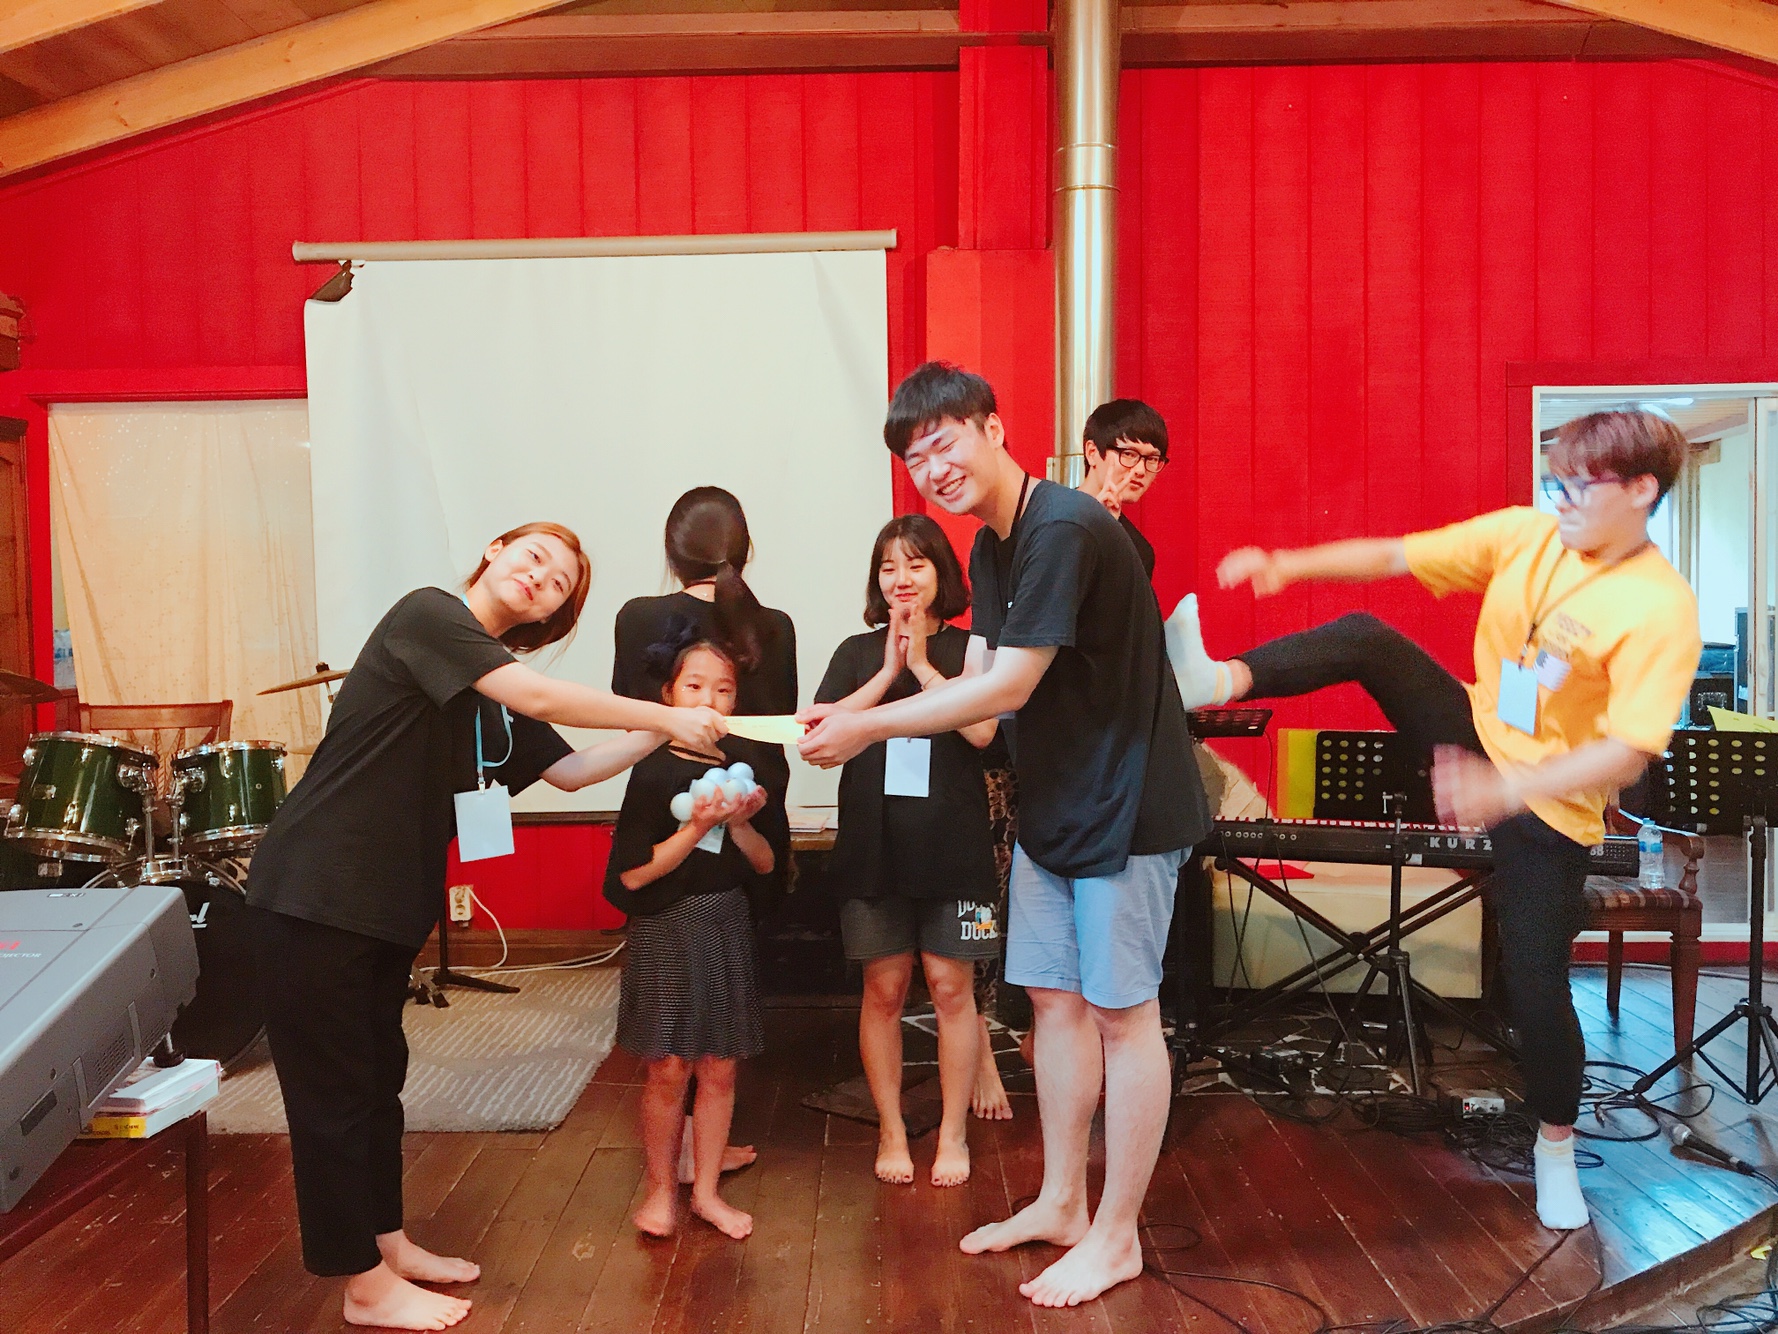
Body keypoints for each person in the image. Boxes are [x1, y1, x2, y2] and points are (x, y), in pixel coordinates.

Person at [1169, 409, 1702, 1231]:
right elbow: (1393, 556)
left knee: (1536, 986)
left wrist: (1506, 789)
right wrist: (1286, 562)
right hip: (1472, 736)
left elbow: (1628, 752)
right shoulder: (1529, 535)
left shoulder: (1661, 607)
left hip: (1548, 809)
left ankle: (1555, 1149)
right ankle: (1215, 681)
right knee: (1367, 637)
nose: (1559, 499)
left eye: (1580, 486)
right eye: (1554, 481)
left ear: (1640, 490)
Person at [799, 362, 1212, 1308]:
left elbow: (1010, 687)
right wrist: (867, 698)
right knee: (1052, 1004)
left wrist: (865, 728)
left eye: (944, 443)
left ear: (992, 428)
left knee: (1123, 1016)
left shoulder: (1063, 526)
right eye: (915, 459)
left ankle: (1117, 1236)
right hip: (1055, 805)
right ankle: (1064, 1203)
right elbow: (979, 697)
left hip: (1130, 807)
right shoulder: (990, 544)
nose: (933, 469)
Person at [247, 521, 727, 1333]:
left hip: (382, 905)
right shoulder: (430, 615)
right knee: (334, 1096)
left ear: (551, 615)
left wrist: (664, 726)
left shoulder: (490, 690)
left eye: (559, 584)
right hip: (314, 892)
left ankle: (386, 1244)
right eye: (534, 556)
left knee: (376, 1083)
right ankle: (362, 1286)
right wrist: (664, 715)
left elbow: (572, 770)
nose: (540, 577)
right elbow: (539, 696)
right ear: (496, 550)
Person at [611, 485, 795, 1179]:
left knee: (675, 997)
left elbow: (627, 716)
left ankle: (688, 1147)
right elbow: (776, 730)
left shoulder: (638, 616)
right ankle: (702, 1149)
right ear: (745, 551)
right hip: (753, 805)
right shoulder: (773, 623)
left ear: (671, 551)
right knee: (725, 995)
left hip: (665, 801)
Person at [815, 514, 1001, 1186]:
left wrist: (921, 665)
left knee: (953, 988)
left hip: (955, 850)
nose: (902, 578)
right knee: (884, 989)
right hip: (873, 849)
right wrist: (889, 667)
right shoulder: (853, 652)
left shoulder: (971, 650)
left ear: (941, 573)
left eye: (916, 564)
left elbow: (982, 732)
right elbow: (820, 736)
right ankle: (891, 1129)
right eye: (889, 566)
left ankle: (952, 1134)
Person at [604, 624, 788, 1241]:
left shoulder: (748, 768)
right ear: (669, 694)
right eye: (694, 686)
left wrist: (739, 824)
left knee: (720, 1067)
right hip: (666, 927)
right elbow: (633, 874)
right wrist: (695, 828)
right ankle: (661, 1190)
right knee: (667, 1067)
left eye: (724, 689)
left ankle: (706, 1192)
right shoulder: (651, 769)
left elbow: (766, 864)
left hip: (725, 920)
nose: (710, 699)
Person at [1077, 397, 1169, 581]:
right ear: (1092, 452)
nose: (1140, 470)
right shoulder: (1049, 516)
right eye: (1128, 454)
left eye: (1152, 459)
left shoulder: (1139, 550)